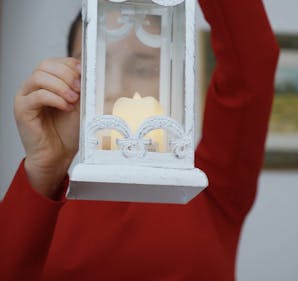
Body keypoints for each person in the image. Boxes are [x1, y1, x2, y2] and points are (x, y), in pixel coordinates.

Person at [0, 0, 280, 280]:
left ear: (177, 79)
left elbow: (252, 61)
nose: (114, 89)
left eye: (143, 69)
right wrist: (45, 170)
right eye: (94, 67)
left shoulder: (213, 187)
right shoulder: (41, 207)